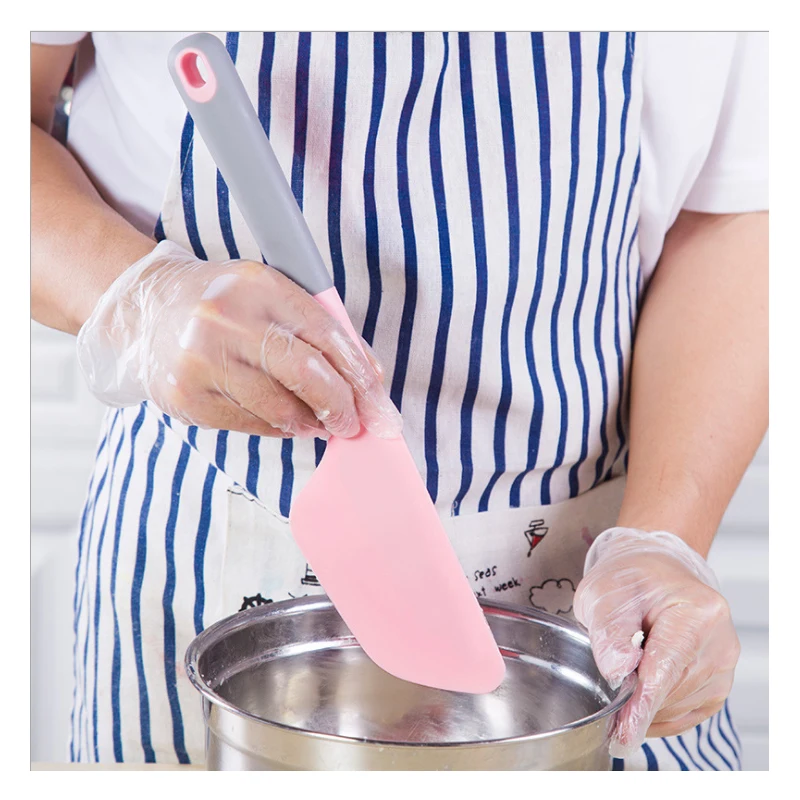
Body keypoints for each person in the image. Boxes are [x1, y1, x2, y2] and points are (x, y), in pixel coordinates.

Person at [31, 31, 767, 770]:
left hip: (600, 608)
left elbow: (739, 210)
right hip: (197, 554)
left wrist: (663, 542)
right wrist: (141, 298)